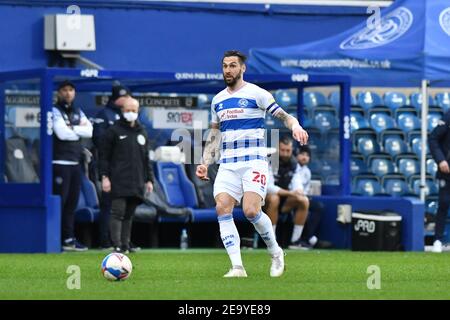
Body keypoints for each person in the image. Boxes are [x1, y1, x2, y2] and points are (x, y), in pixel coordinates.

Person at [196, 50, 308, 278]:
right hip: (228, 164)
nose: (228, 70)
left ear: (242, 68)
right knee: (222, 208)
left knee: (250, 211)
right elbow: (214, 136)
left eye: (233, 65)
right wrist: (205, 162)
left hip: (253, 163)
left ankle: (276, 252)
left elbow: (284, 116)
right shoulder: (217, 100)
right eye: (225, 66)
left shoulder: (258, 94)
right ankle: (237, 267)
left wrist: (294, 126)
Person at [98, 98, 154, 254]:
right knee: (118, 212)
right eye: (128, 110)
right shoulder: (113, 131)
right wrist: (104, 176)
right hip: (118, 179)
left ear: (138, 111)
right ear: (122, 110)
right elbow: (104, 157)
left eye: (134, 110)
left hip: (137, 180)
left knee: (129, 214)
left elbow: (146, 159)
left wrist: (149, 179)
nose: (131, 113)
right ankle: (116, 245)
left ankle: (125, 243)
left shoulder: (142, 131)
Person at [52, 80, 93, 251]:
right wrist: (77, 129)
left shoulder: (78, 111)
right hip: (60, 163)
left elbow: (89, 131)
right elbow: (62, 134)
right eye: (64, 90)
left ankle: (68, 239)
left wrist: (72, 128)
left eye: (71, 90)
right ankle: (54, 239)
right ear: (59, 92)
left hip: (76, 163)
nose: (68, 93)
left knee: (71, 203)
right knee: (60, 203)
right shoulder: (55, 110)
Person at [93, 82, 133, 250]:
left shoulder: (127, 118)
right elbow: (100, 141)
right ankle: (105, 241)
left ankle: (123, 242)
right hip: (109, 168)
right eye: (123, 97)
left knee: (125, 206)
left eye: (127, 96)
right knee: (108, 206)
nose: (126, 100)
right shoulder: (104, 115)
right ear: (116, 98)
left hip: (125, 169)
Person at [265, 138, 313, 250]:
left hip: (285, 199)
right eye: (283, 150)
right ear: (277, 149)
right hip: (265, 201)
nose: (285, 153)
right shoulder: (269, 160)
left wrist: (299, 191)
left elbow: (297, 183)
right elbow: (268, 187)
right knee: (274, 198)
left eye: (288, 150)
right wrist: (290, 193)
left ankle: (295, 241)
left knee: (304, 200)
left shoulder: (294, 164)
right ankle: (272, 242)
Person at [428, 112, 450, 253]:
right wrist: (441, 160)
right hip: (447, 171)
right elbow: (433, 138)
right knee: (444, 203)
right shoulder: (448, 116)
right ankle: (438, 240)